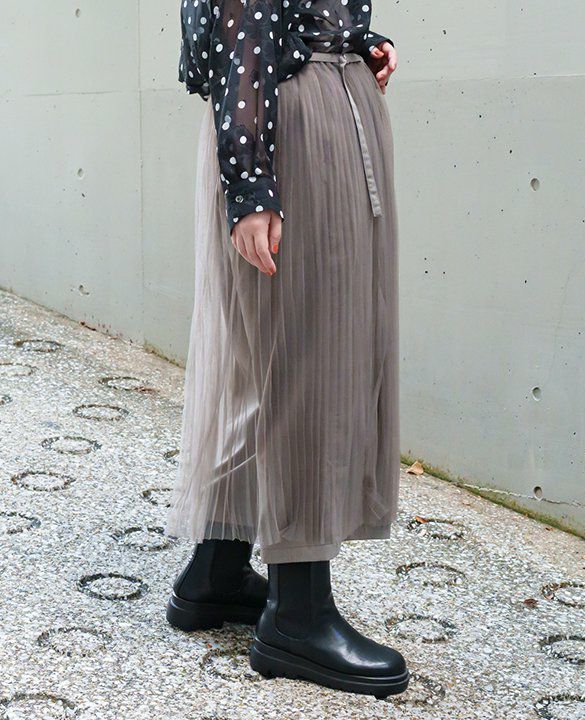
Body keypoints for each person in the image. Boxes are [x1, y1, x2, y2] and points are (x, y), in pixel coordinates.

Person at [164, 0, 408, 698]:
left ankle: (216, 569)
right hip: (288, 124)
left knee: (277, 356)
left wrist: (352, 38)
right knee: (309, 355)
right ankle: (297, 615)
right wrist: (250, 184)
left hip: (305, 105)